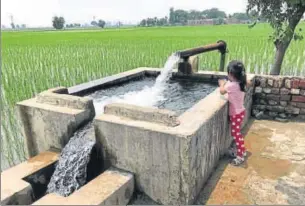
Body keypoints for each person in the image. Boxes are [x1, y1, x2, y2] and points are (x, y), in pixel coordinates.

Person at [218, 60, 249, 166]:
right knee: (236, 133)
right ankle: (242, 150)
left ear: (230, 74)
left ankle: (241, 155)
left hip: (235, 114)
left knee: (236, 134)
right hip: (241, 111)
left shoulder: (231, 86)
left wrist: (222, 84)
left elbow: (222, 91)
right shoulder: (241, 82)